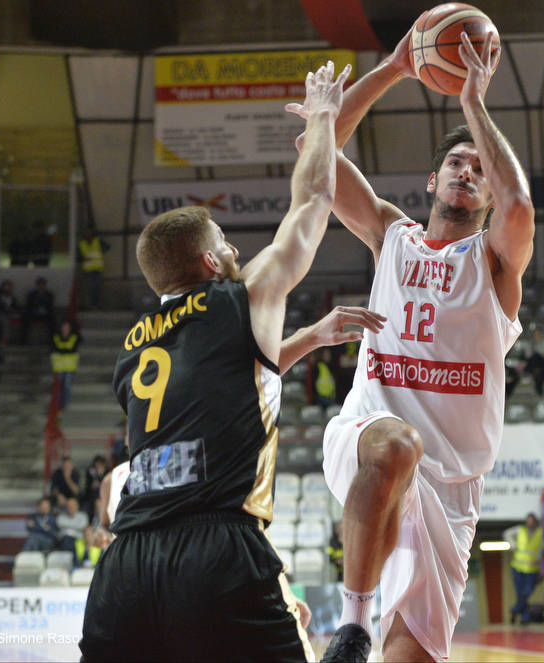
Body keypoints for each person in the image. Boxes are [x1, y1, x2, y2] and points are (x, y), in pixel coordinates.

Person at [80, 61, 359, 662]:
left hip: (126, 563)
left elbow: (227, 390)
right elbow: (312, 199)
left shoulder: (135, 347)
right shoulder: (242, 296)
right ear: (210, 263)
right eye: (224, 242)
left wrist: (308, 338)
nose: (235, 249)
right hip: (217, 549)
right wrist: (322, 118)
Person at [286, 26, 533, 663]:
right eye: (456, 162)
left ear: (487, 194)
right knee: (397, 441)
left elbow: (521, 209)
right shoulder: (391, 236)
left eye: (479, 168)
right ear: (432, 180)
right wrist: (396, 67)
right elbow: (318, 153)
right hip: (370, 437)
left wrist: (474, 105)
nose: (467, 171)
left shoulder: (497, 263)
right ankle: (352, 626)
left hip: (453, 489)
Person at [504, 513, 543, 625]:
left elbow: (542, 549)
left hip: (532, 569)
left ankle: (515, 609)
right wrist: (513, 545)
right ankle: (524, 617)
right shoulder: (519, 530)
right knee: (520, 593)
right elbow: (506, 533)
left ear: (535, 522)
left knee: (527, 592)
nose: (529, 523)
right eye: (528, 520)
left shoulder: (541, 533)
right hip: (518, 567)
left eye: (531, 521)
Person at [50, 319, 81, 412]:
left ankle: (65, 403)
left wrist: (62, 351)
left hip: (69, 365)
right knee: (58, 385)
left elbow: (71, 348)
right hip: (59, 366)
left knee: (67, 384)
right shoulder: (56, 337)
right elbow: (54, 348)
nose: (65, 329)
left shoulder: (74, 337)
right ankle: (59, 404)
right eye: (64, 327)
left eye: (67, 328)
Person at [78, 224, 110, 309]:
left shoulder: (97, 241)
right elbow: (78, 256)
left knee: (97, 288)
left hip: (97, 269)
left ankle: (96, 304)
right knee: (90, 288)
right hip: (88, 270)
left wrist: (101, 250)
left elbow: (107, 247)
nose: (89, 233)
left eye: (90, 232)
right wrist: (82, 259)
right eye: (87, 232)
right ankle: (91, 305)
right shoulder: (82, 243)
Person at [21, 277, 56, 344]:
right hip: (34, 314)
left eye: (43, 285)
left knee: (53, 321)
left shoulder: (49, 295)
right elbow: (29, 306)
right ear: (37, 286)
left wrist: (44, 310)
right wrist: (36, 310)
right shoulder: (31, 295)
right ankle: (23, 341)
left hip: (45, 314)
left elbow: (50, 306)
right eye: (39, 285)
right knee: (25, 320)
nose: (41, 286)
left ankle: (52, 341)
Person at [55, 497, 89, 567]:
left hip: (79, 540)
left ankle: (77, 564)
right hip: (64, 541)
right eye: (69, 506)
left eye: (73, 506)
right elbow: (59, 523)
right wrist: (76, 526)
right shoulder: (61, 516)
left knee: (77, 545)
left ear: (77, 506)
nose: (71, 508)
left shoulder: (83, 516)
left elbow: (82, 525)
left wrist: (67, 528)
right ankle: (77, 564)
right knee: (68, 540)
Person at [81, 454, 107, 522]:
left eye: (100, 464)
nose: (98, 466)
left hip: (104, 496)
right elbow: (86, 487)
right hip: (91, 496)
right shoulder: (90, 472)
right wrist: (92, 485)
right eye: (96, 464)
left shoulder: (107, 472)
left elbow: (108, 485)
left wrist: (100, 477)